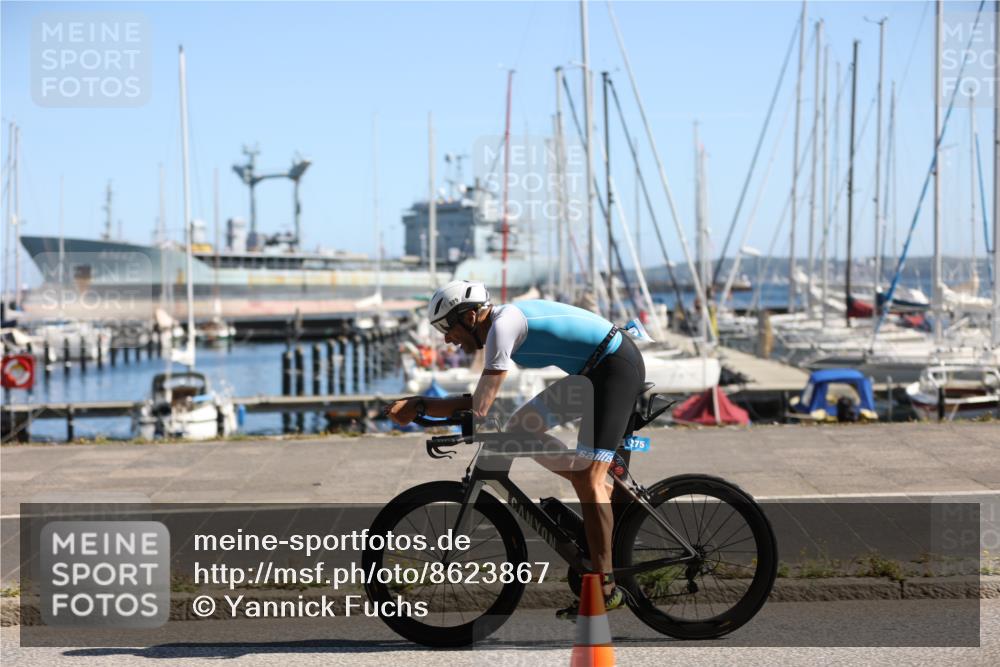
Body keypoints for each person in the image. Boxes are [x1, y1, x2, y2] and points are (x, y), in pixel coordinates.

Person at [385, 280, 646, 617]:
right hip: (591, 374)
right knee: (522, 430)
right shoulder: (498, 329)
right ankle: (608, 492)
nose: (447, 337)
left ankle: (606, 586)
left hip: (615, 368)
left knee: (586, 478)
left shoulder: (502, 326)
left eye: (448, 326)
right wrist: (423, 405)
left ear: (472, 315)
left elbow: (480, 408)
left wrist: (424, 406)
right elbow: (481, 401)